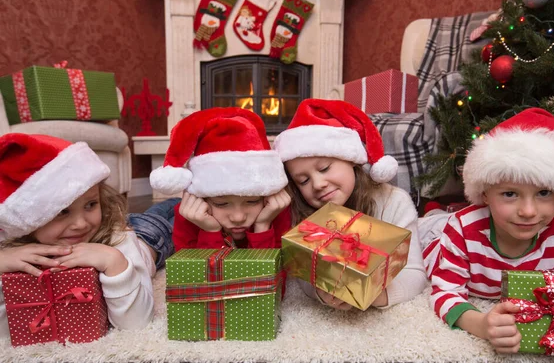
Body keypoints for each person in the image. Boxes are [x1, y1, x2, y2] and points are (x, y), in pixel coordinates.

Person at [421, 108, 554, 354]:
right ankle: (433, 215)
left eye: (544, 193)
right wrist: (481, 324)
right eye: (510, 193)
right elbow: (444, 293)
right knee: (423, 236)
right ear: (485, 193)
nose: (528, 211)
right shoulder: (462, 228)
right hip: (436, 237)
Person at [0, 133, 160, 339]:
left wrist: (115, 262)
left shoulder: (119, 241)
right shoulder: (12, 248)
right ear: (28, 221)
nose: (81, 224)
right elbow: (8, 331)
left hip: (149, 238)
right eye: (62, 212)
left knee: (165, 213)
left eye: (91, 204)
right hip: (122, 224)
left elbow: (138, 324)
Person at [273, 98, 428, 310]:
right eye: (304, 181)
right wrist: (321, 290)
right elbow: (301, 273)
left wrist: (374, 294)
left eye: (325, 168)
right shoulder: (303, 212)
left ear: (351, 160)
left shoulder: (394, 202)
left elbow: (415, 274)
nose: (318, 184)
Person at [150, 107, 291, 251]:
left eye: (252, 201)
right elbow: (196, 273)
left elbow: (276, 272)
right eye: (221, 204)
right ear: (202, 197)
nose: (238, 217)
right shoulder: (188, 215)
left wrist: (263, 226)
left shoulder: (275, 208)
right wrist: (210, 231)